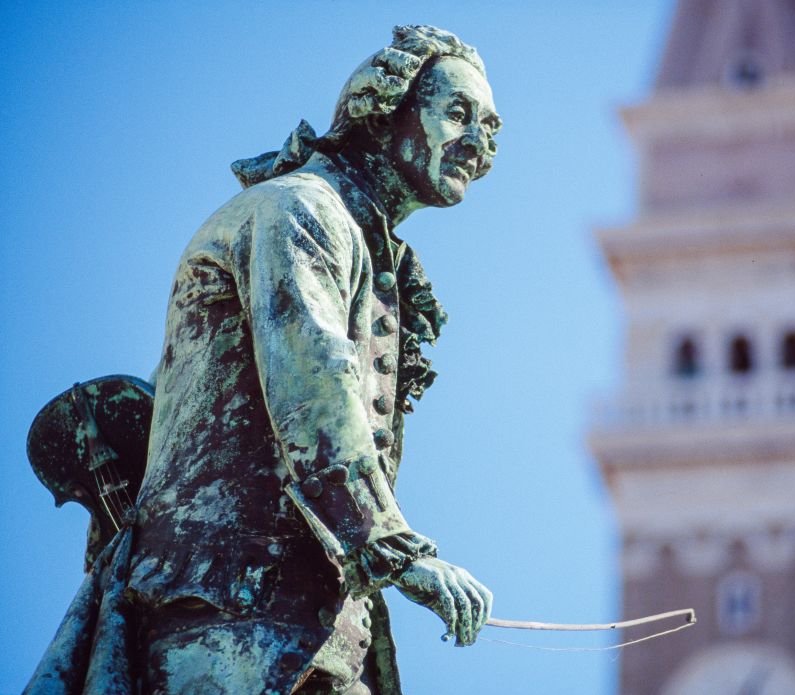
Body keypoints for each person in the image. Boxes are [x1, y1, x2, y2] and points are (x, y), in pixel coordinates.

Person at [26, 24, 501, 695]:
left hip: (306, 637)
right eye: (457, 113)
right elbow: (313, 384)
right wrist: (394, 548)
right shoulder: (299, 210)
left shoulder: (358, 240)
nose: (479, 143)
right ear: (384, 110)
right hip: (227, 618)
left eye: (491, 127)